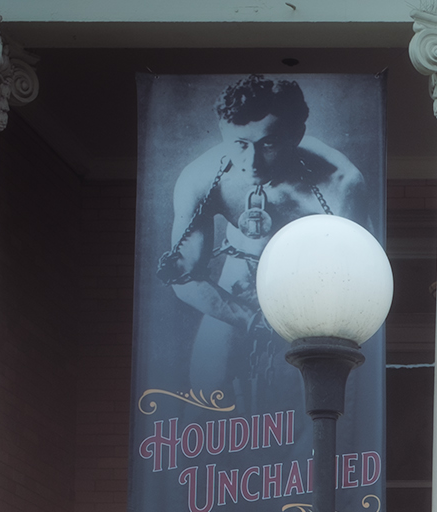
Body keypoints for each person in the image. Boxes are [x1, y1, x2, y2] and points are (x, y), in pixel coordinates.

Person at [156, 76, 365, 413]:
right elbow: (184, 277)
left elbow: (354, 281)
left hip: (312, 301)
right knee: (207, 388)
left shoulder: (340, 183)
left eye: (268, 144)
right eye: (239, 143)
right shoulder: (201, 178)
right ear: (223, 131)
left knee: (319, 409)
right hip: (239, 285)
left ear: (296, 135)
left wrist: (296, 319)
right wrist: (253, 320)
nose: (251, 162)